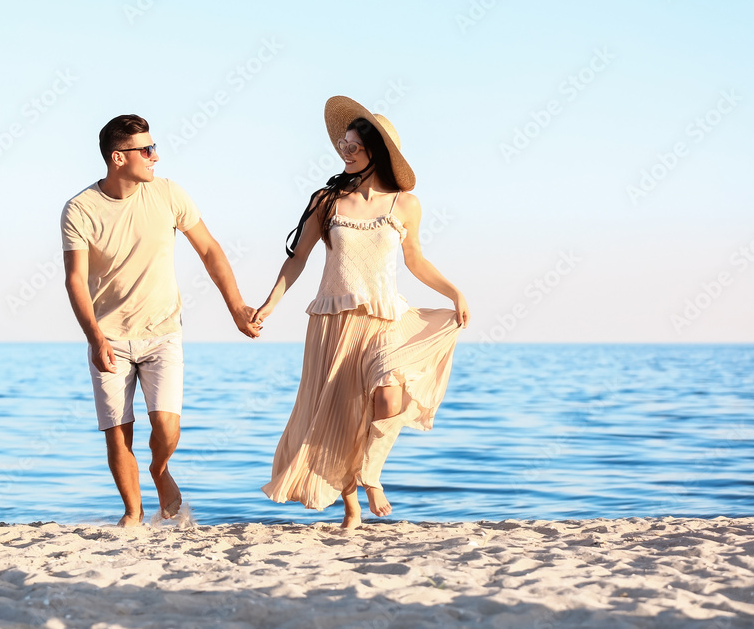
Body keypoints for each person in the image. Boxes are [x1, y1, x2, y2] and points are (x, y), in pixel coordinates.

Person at [257, 96, 470, 529]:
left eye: (353, 144)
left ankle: (372, 474)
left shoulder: (405, 204)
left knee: (388, 395)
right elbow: (297, 259)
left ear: (377, 151)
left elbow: (416, 260)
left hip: (386, 318)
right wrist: (268, 304)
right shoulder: (327, 199)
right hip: (333, 322)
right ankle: (351, 506)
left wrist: (455, 293)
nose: (344, 150)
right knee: (339, 412)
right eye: (342, 143)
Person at [62, 114, 261, 527]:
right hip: (109, 337)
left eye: (154, 147)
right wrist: (94, 336)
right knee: (119, 432)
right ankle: (132, 514)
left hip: (163, 334)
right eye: (146, 149)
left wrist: (236, 305)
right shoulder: (80, 209)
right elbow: (76, 280)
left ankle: (159, 470)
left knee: (167, 430)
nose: (155, 156)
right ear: (119, 157)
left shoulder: (169, 194)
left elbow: (209, 250)